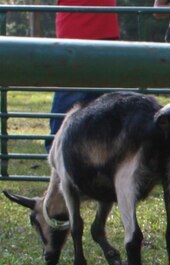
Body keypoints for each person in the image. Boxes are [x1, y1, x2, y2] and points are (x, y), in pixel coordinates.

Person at [46, 0, 120, 152]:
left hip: (102, 28)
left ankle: (82, 157)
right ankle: (59, 153)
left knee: (95, 106)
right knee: (70, 99)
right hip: (77, 29)